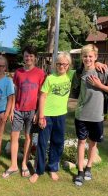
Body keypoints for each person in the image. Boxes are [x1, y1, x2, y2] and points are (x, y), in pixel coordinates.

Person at [74, 44, 108, 186]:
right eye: (85, 56)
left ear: (95, 57)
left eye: (91, 56)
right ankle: (80, 171)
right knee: (81, 142)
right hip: (81, 114)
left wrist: (100, 85)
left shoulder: (103, 71)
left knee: (93, 143)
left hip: (97, 115)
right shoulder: (79, 72)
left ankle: (88, 168)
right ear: (82, 57)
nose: (88, 58)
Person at [29, 52, 74, 183]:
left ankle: (53, 168)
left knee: (58, 142)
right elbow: (42, 97)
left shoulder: (70, 75)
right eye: (59, 63)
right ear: (55, 64)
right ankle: (38, 171)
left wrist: (98, 63)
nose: (61, 66)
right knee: (42, 143)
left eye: (64, 64)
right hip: (47, 116)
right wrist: (41, 116)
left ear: (68, 66)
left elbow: (87, 65)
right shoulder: (50, 78)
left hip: (61, 115)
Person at [2, 46, 45, 178]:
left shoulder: (40, 73)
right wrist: (13, 110)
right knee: (14, 136)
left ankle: (24, 164)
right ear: (23, 57)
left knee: (28, 137)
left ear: (35, 58)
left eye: (31, 56)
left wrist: (38, 112)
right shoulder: (18, 73)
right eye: (26, 55)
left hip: (32, 111)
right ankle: (14, 165)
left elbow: (42, 94)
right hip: (18, 110)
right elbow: (14, 92)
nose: (28, 58)